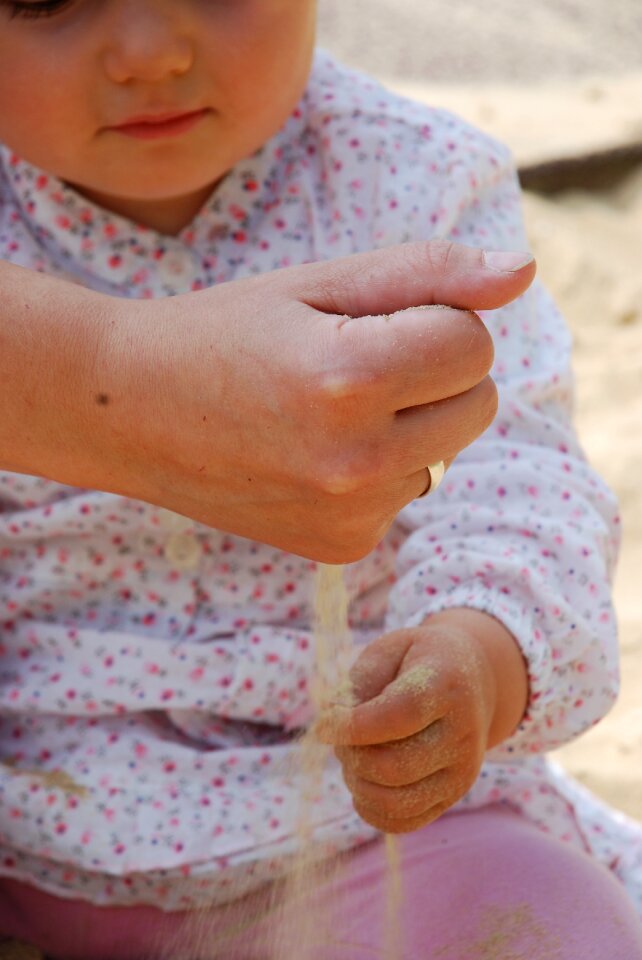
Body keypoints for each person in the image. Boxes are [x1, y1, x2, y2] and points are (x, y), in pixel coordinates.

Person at [0, 1, 640, 958]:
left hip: (344, 818)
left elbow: (517, 481)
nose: (149, 53)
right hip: (30, 807)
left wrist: (473, 656)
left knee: (547, 916)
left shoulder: (412, 184)